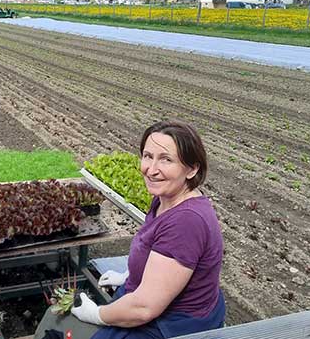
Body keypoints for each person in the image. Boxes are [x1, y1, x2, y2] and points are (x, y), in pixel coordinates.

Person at [69, 120, 225, 339]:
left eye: (166, 159)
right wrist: (129, 275)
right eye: (147, 156)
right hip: (160, 304)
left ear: (192, 169)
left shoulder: (186, 222)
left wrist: (95, 314)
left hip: (172, 324)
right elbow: (157, 252)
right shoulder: (166, 198)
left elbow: (144, 309)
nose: (151, 170)